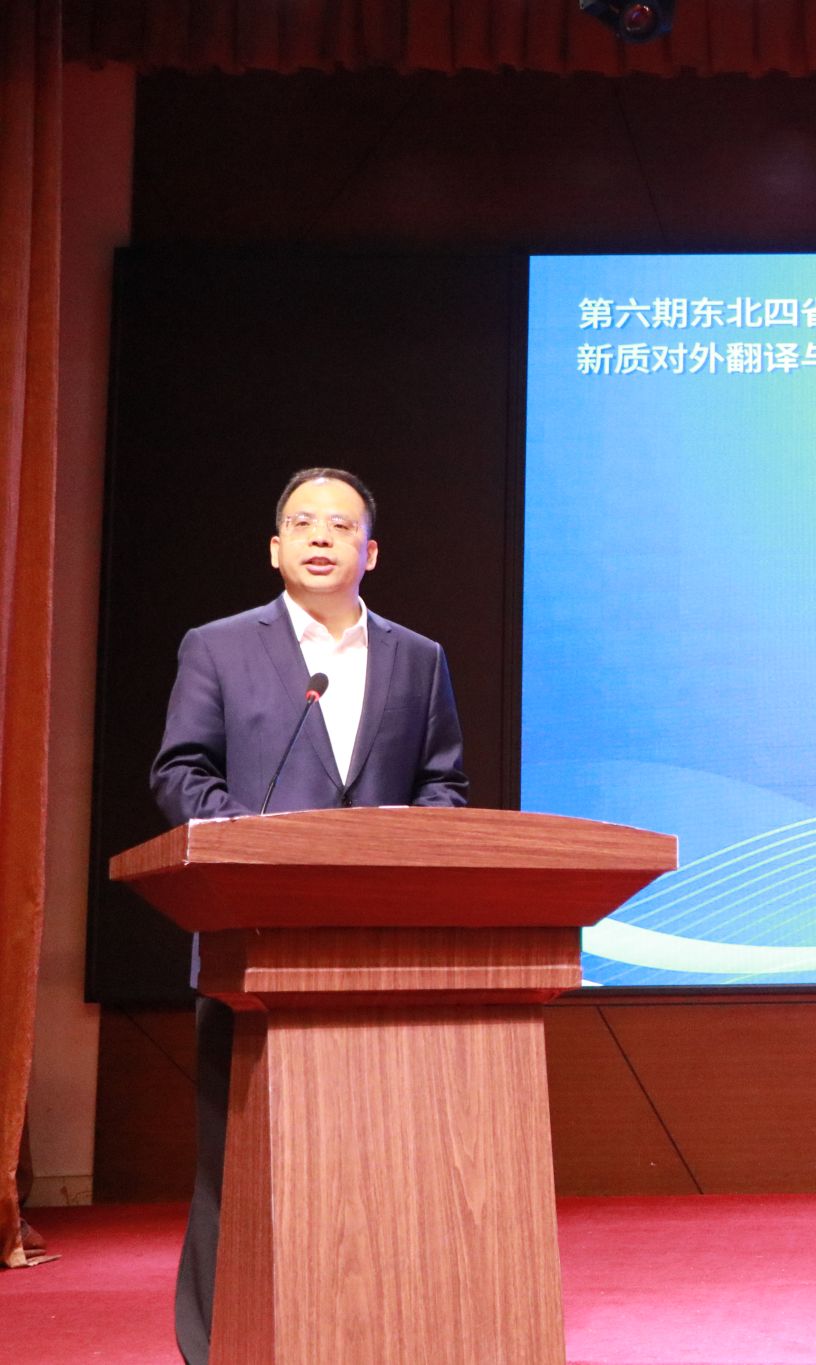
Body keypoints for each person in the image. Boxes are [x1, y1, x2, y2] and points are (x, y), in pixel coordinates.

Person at [150, 468, 466, 1365]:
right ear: (275, 547)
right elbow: (180, 771)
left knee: (378, 1162)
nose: (320, 536)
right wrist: (253, 843)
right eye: (302, 523)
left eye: (340, 525)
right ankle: (218, 1344)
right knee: (238, 1158)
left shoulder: (419, 658)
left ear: (371, 552)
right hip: (253, 943)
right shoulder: (218, 646)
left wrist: (408, 844)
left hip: (381, 950)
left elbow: (444, 781)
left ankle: (379, 1335)